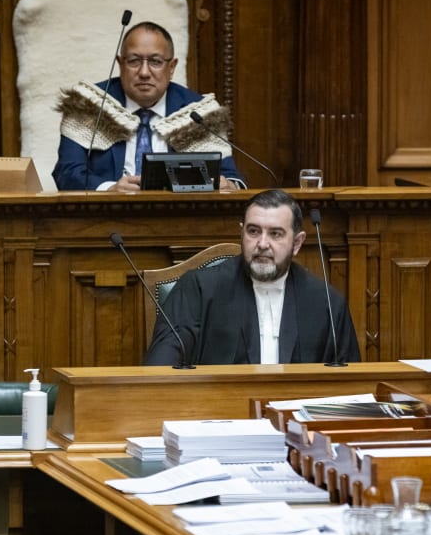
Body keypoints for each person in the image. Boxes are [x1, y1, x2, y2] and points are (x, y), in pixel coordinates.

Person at [145, 189, 361, 365]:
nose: (262, 244)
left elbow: (347, 384)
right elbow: (161, 368)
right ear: (242, 233)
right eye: (254, 231)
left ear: (297, 243)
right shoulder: (198, 289)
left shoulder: (326, 302)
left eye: (275, 234)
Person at [52, 21, 247, 191]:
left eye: (155, 62)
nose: (144, 72)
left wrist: (229, 185)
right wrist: (108, 188)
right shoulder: (89, 105)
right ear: (121, 64)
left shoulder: (198, 112)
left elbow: (230, 176)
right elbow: (66, 172)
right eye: (134, 61)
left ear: (171, 68)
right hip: (104, 219)